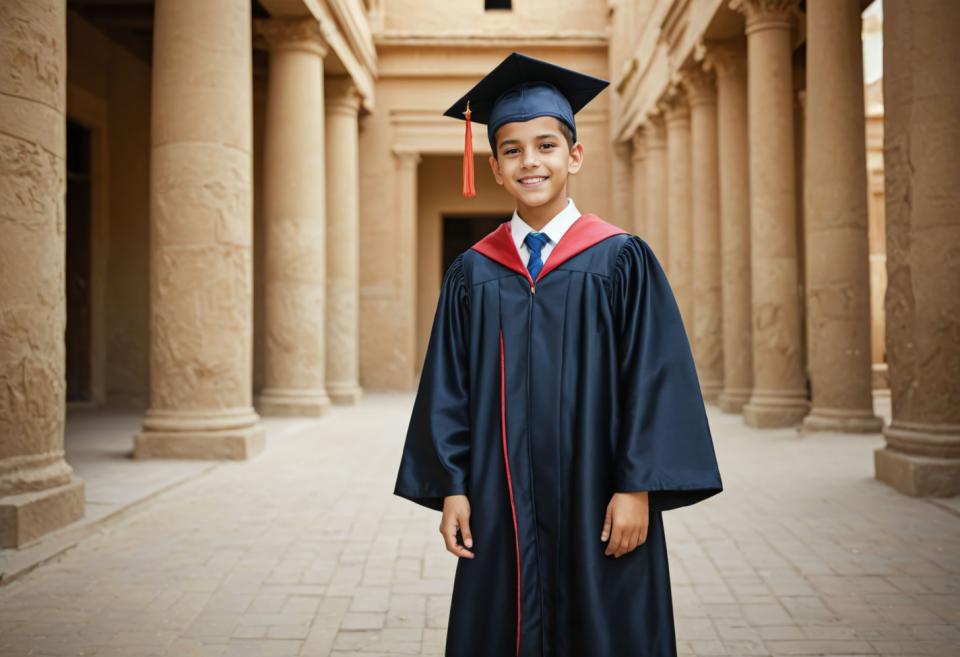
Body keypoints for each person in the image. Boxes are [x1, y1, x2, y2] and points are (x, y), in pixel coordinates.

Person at [393, 52, 723, 657]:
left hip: (601, 496)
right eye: (513, 150)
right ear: (493, 166)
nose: (530, 161)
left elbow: (654, 377)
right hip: (499, 500)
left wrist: (638, 487)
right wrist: (453, 487)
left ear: (574, 156)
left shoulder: (621, 259)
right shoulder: (473, 272)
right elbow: (448, 387)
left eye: (546, 145)